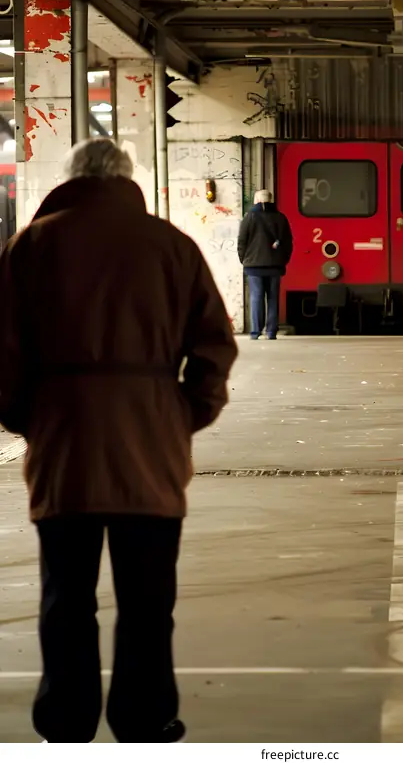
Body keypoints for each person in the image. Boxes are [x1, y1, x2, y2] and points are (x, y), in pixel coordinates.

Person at [0, 137, 237, 743]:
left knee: (66, 599)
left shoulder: (32, 245)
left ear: (71, 177)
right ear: (127, 179)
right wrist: (180, 415)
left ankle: (67, 721)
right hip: (150, 449)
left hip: (64, 446)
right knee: (148, 601)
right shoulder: (171, 246)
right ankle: (145, 719)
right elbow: (214, 344)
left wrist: (32, 416)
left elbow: (2, 354)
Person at [237, 189, 293, 340]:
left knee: (256, 296)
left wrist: (244, 259)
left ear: (256, 200)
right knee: (273, 298)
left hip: (254, 265)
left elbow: (242, 241)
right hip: (275, 265)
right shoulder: (281, 218)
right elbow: (288, 243)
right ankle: (271, 331)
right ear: (271, 200)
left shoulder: (249, 217)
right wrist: (283, 260)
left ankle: (255, 332)